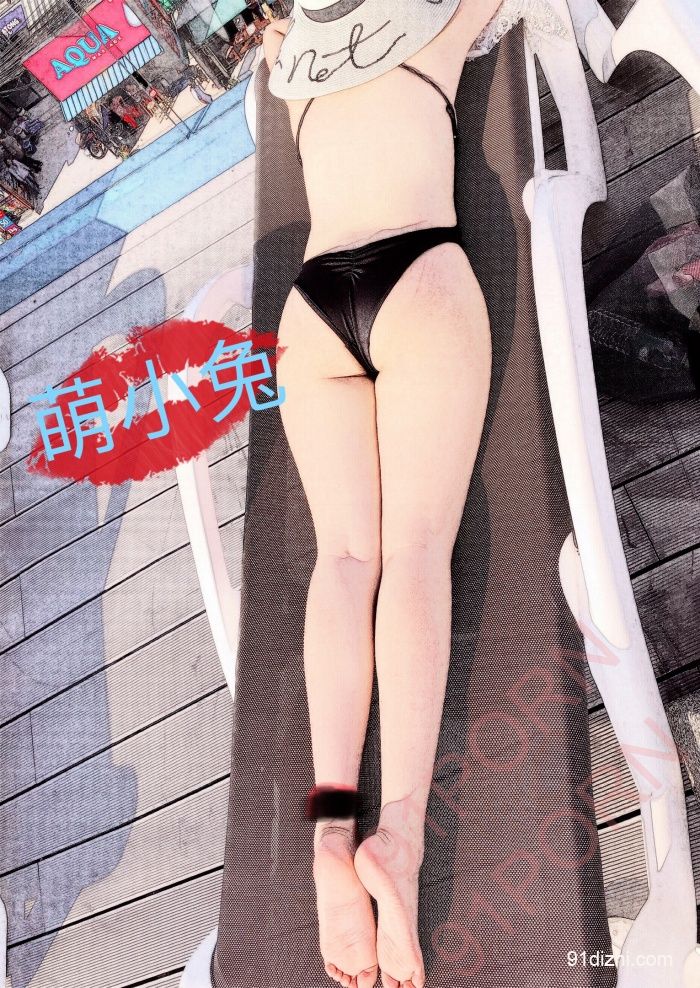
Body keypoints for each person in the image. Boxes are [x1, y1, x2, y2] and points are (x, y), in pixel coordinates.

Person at [262, 3, 519, 988]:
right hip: (417, 270)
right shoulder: (432, 22)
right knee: (415, 555)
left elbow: (283, 41)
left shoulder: (287, 67)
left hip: (314, 305)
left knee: (345, 560)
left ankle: (331, 831)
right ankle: (398, 836)